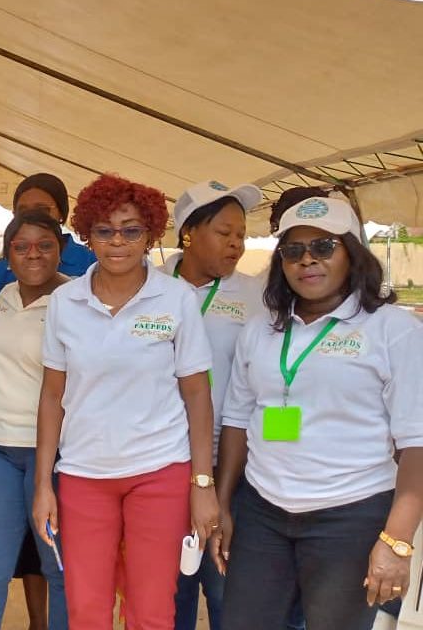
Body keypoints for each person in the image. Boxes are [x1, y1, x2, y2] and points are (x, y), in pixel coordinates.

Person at [213, 196, 423, 629]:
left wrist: (397, 539)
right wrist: (224, 506)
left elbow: (416, 441)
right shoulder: (262, 329)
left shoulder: (393, 330)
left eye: (324, 247)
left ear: (352, 253)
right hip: (262, 512)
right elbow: (236, 420)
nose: (307, 260)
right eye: (293, 250)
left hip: (351, 514)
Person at [32, 173, 219, 629]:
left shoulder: (175, 299)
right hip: (83, 475)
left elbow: (197, 393)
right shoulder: (65, 301)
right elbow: (52, 395)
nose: (118, 241)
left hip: (160, 472)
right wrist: (43, 485)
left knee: (152, 610)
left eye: (131, 229)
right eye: (105, 230)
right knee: (86, 609)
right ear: (86, 235)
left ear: (150, 235)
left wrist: (202, 482)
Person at [161, 181, 264, 630]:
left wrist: (279, 443)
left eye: (241, 234)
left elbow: (275, 381)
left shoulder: (259, 297)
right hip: (162, 461)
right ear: (188, 233)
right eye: (225, 233)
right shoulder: (149, 290)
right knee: (169, 588)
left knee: (226, 585)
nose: (237, 244)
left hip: (232, 465)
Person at [0, 212, 69, 630]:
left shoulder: (75, 299)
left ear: (60, 249)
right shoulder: (4, 294)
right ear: (8, 254)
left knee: (58, 569)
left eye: (44, 244)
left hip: (56, 452)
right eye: (21, 246)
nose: (33, 254)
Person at [0, 173, 96, 305]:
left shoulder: (90, 263)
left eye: (42, 210)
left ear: (62, 213)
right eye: (23, 212)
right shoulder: (2, 268)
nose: (33, 217)